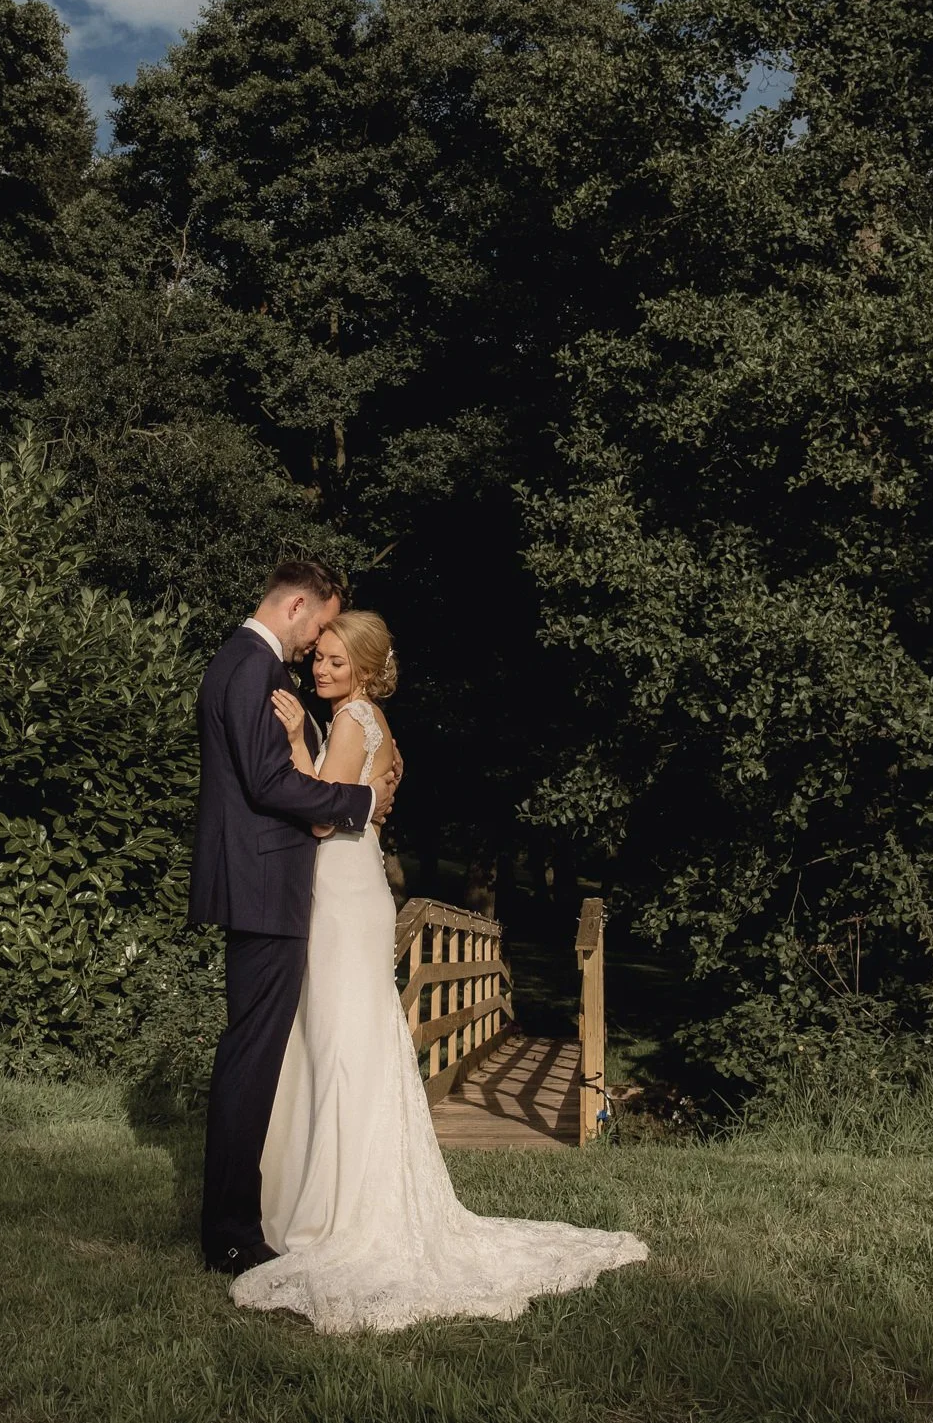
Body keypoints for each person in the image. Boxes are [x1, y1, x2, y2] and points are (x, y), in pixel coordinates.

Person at [231, 608, 648, 1333]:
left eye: (332, 659)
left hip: (340, 889)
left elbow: (324, 814)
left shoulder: (353, 719)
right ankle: (318, 1190)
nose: (318, 667)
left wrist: (297, 738)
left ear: (360, 667)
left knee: (339, 1040)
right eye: (319, 656)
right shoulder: (372, 719)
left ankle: (339, 1207)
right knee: (340, 1035)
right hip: (347, 886)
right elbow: (373, 791)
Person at [190, 560, 400, 1276]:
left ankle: (237, 1218)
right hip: (265, 886)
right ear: (299, 604)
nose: (315, 646)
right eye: (318, 629)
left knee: (255, 1058)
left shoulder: (241, 663)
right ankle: (230, 1230)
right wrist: (361, 805)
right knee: (252, 1059)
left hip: (269, 886)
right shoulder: (250, 666)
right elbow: (270, 781)